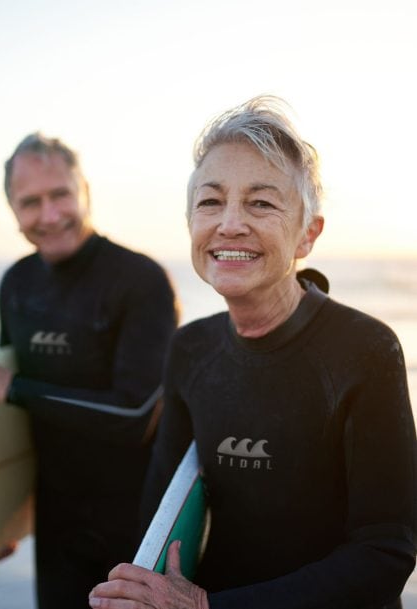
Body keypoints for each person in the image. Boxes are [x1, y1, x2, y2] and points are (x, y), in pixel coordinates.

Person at [88, 96, 417, 609]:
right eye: (210, 202)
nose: (230, 224)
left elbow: (386, 553)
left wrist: (205, 607)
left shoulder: (365, 350)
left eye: (261, 203)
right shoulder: (190, 348)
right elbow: (164, 516)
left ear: (308, 234)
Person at [0, 133, 178, 609]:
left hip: (138, 528)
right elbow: (14, 423)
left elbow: (135, 416)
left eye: (60, 195)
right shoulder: (17, 285)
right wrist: (2, 516)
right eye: (30, 203)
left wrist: (10, 386)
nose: (49, 216)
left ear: (84, 191)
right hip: (57, 530)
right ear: (12, 210)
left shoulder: (140, 280)